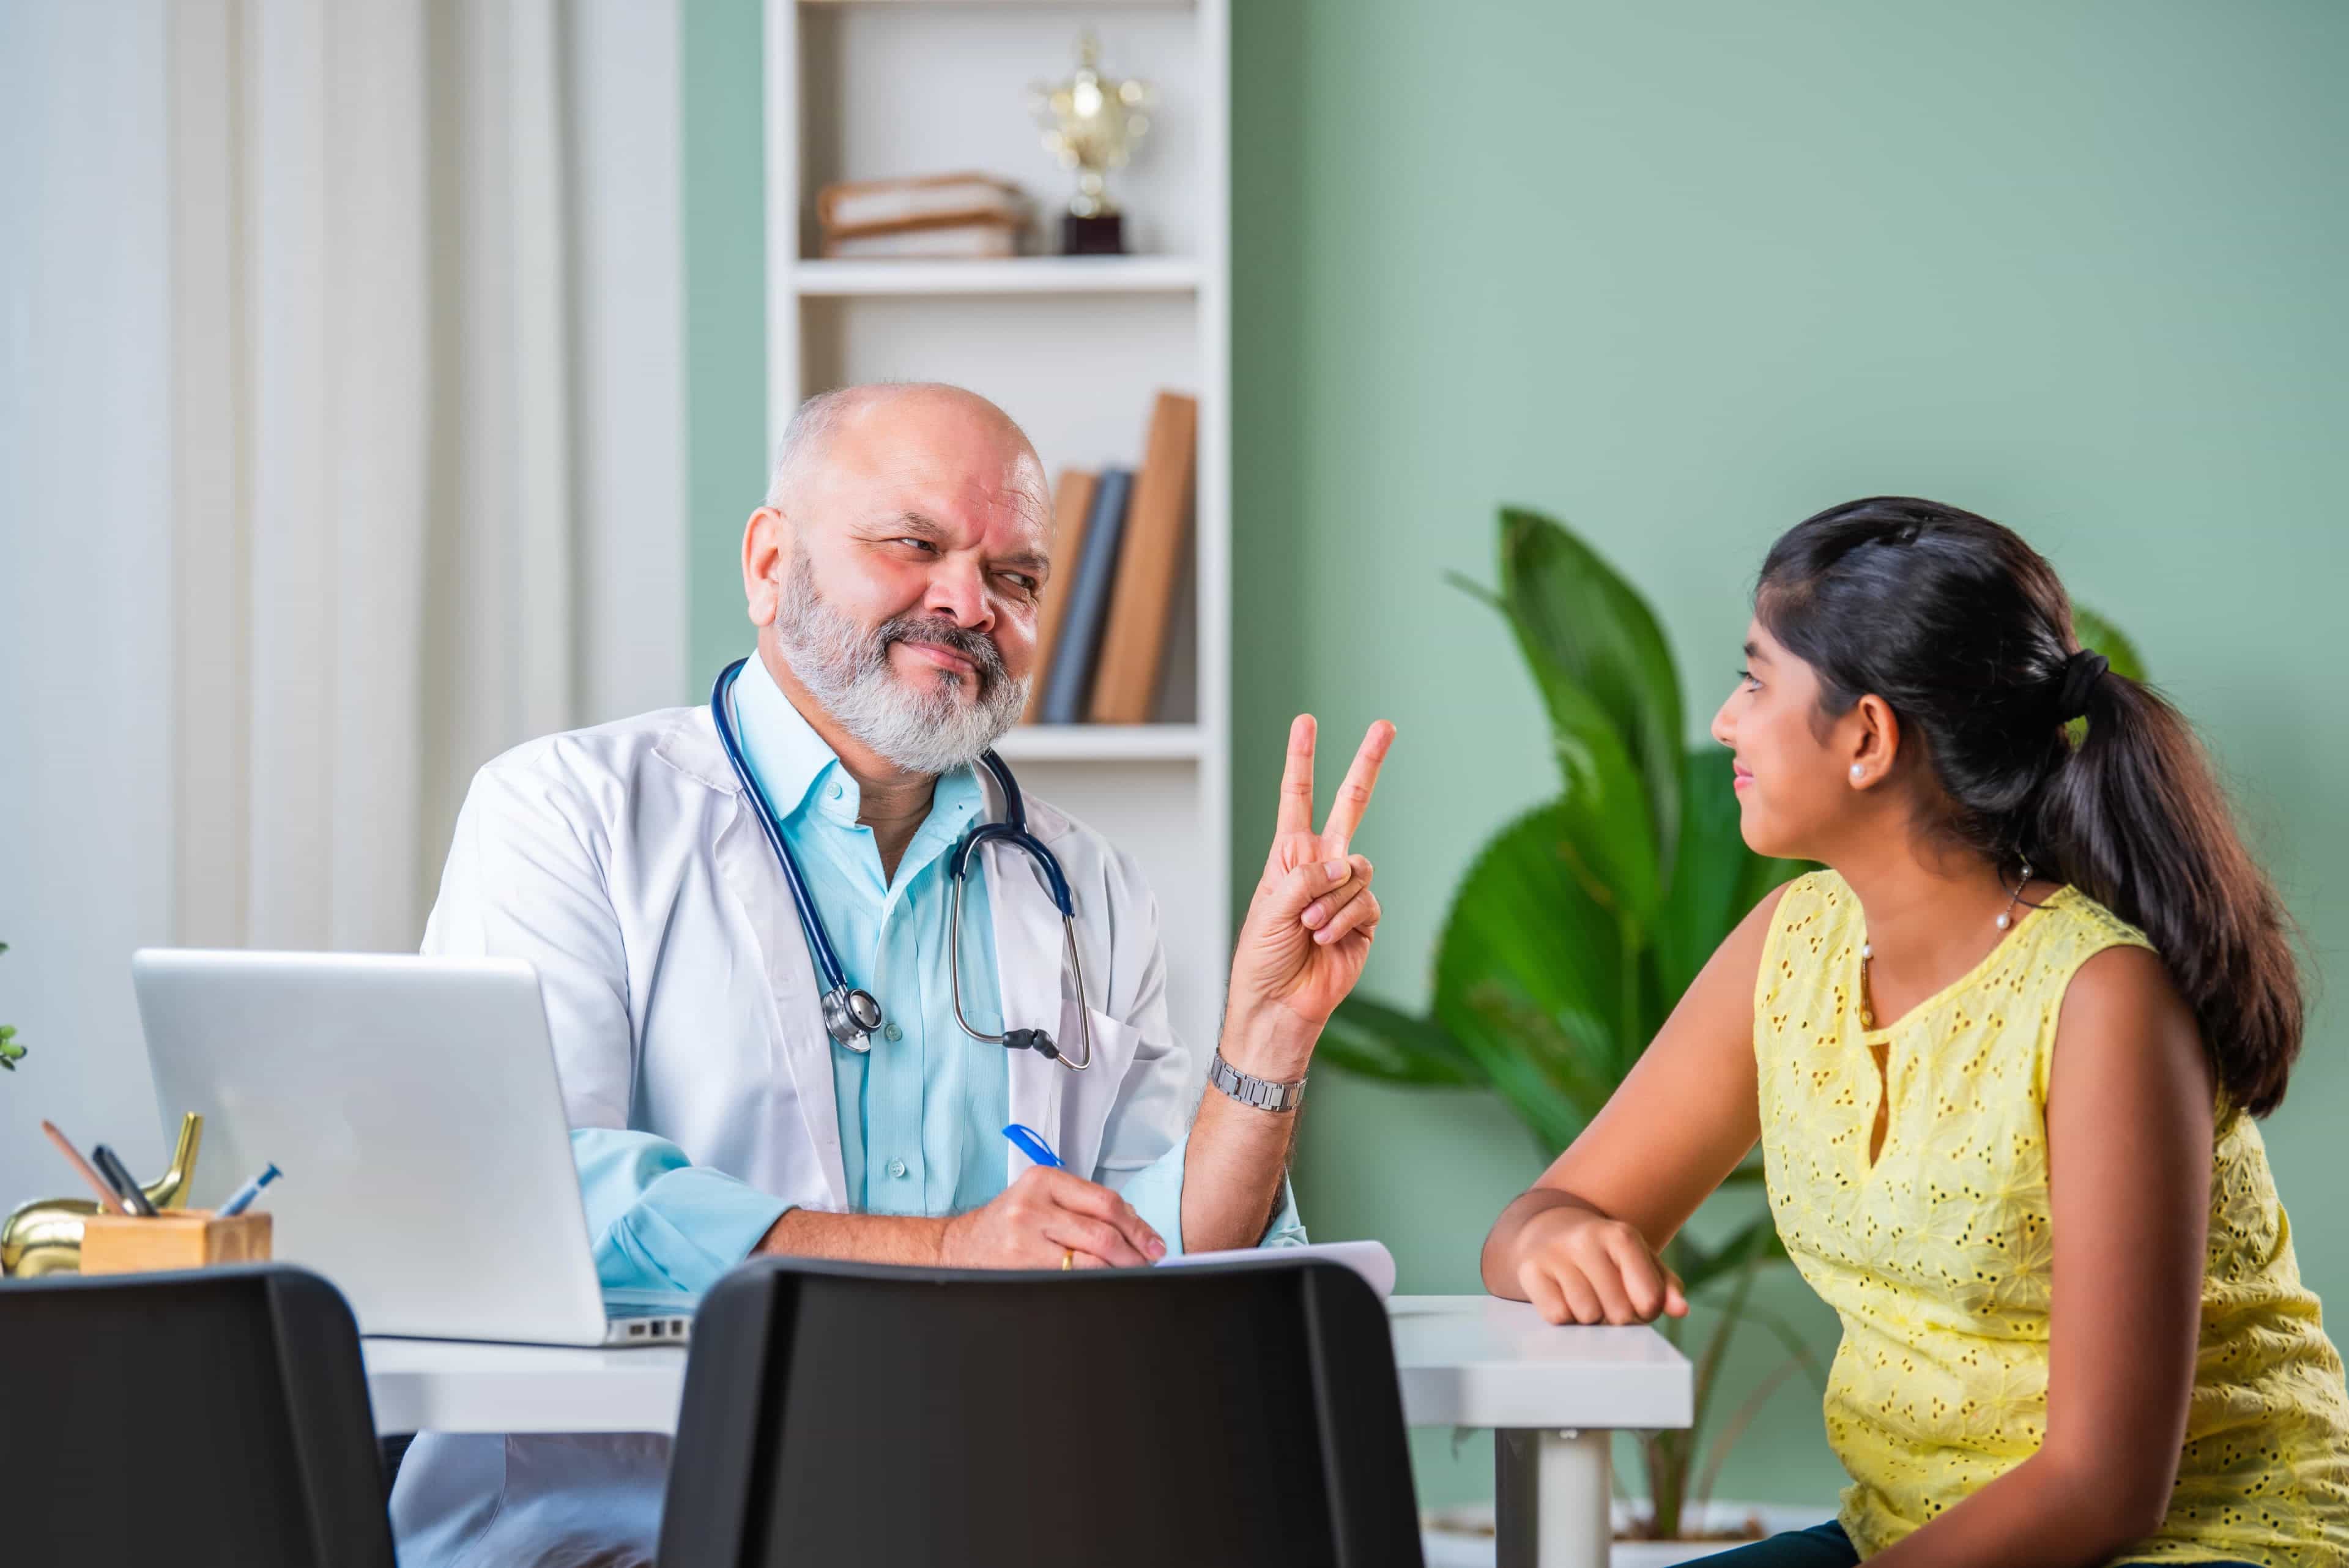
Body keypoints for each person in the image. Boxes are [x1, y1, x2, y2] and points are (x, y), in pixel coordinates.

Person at [389, 382, 1395, 1567]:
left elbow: (1161, 1254)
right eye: (915, 545)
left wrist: (1267, 1041)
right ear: (771, 564)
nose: (969, 603)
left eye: (1015, 576)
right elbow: (538, 1193)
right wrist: (949, 1257)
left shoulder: (1090, 885)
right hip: (613, 1539)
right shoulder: (565, 816)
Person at [1481, 498, 2349, 1568]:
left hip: (2203, 1546)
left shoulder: (2100, 998)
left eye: (1756, 682)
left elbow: (2104, 1489)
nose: (1725, 722)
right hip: (1905, 1537)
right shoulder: (1791, 945)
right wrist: (1554, 1241)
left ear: (1867, 737)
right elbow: (1541, 1217)